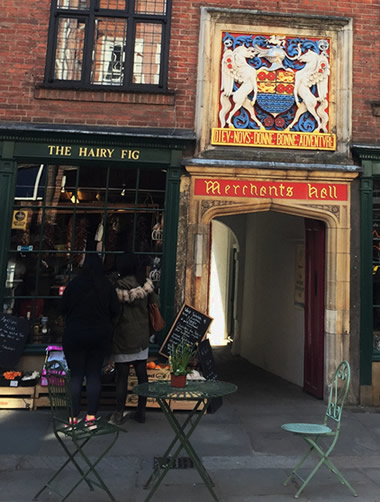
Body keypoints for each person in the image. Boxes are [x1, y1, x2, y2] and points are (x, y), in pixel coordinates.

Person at [61, 253, 120, 428]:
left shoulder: (74, 285)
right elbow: (116, 311)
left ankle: (72, 418)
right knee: (94, 375)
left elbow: (61, 308)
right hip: (99, 336)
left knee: (77, 375)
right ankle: (91, 417)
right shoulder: (107, 286)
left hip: (75, 334)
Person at [109, 253, 158, 425]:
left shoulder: (118, 287)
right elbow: (155, 304)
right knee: (141, 374)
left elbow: (114, 314)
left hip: (123, 336)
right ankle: (141, 412)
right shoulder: (144, 284)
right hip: (142, 336)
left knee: (122, 376)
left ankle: (118, 412)